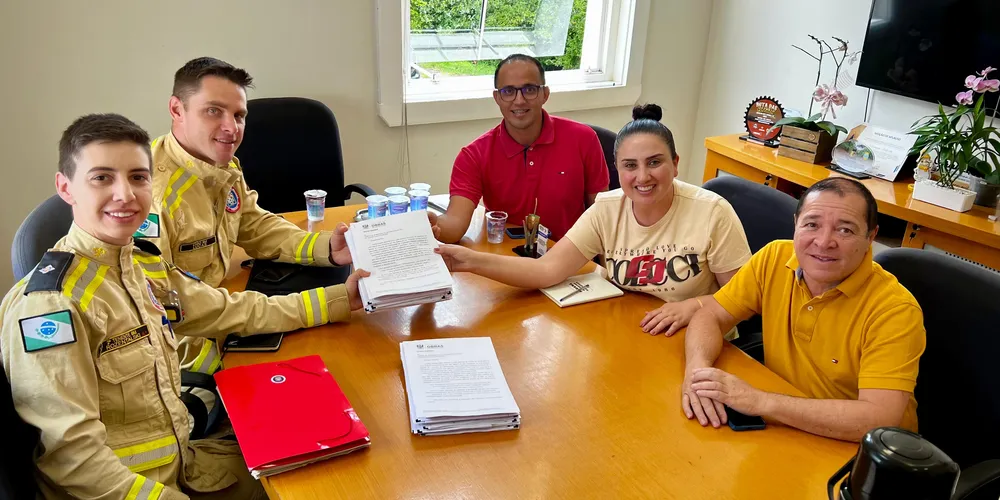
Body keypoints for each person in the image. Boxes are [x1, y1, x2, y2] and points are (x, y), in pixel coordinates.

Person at [0, 113, 368, 499]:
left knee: (329, 457)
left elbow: (231, 311)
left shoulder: (137, 267)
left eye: (138, 177)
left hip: (183, 464)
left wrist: (339, 299)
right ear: (66, 187)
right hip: (135, 492)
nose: (125, 194)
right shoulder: (49, 307)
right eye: (102, 177)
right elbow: (75, 462)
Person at [142, 57, 423, 374]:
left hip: (224, 327)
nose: (231, 128)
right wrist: (326, 303)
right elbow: (191, 308)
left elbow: (254, 224)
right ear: (177, 110)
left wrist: (325, 247)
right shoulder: (152, 198)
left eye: (239, 115)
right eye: (213, 111)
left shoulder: (218, 166)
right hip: (185, 368)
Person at [437, 104, 752, 335]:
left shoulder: (712, 212)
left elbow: (743, 301)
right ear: (617, 168)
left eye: (655, 162)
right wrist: (467, 261)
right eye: (630, 165)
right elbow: (546, 269)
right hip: (628, 330)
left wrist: (694, 307)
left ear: (675, 163)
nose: (643, 176)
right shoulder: (606, 208)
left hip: (698, 338)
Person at [681, 177, 926, 442]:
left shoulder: (895, 310)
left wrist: (760, 401)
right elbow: (712, 314)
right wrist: (697, 373)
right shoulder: (773, 258)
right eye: (812, 225)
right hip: (788, 426)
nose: (823, 242)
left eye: (845, 230)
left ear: (871, 237)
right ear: (796, 223)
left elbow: (878, 420)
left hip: (857, 449)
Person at [433, 53, 610, 243]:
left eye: (529, 89)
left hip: (572, 261)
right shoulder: (474, 155)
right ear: (497, 98)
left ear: (545, 94)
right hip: (506, 261)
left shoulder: (583, 139)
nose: (519, 100)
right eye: (508, 91)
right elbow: (454, 225)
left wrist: (605, 271)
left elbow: (602, 218)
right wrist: (433, 225)